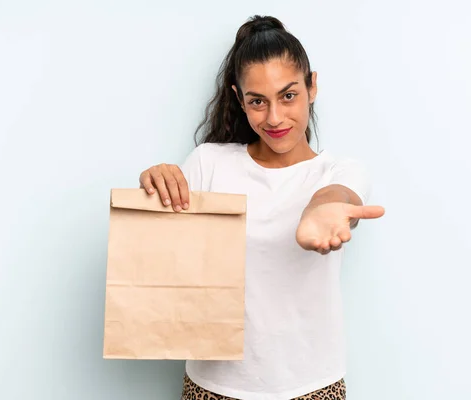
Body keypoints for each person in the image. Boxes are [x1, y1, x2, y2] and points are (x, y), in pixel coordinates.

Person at [139, 15, 385, 400]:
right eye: (257, 101)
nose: (274, 118)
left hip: (312, 385)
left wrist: (323, 209)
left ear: (312, 86)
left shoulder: (338, 170)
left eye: (288, 95)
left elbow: (338, 194)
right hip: (213, 386)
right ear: (240, 99)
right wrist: (159, 183)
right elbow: (163, 256)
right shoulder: (209, 163)